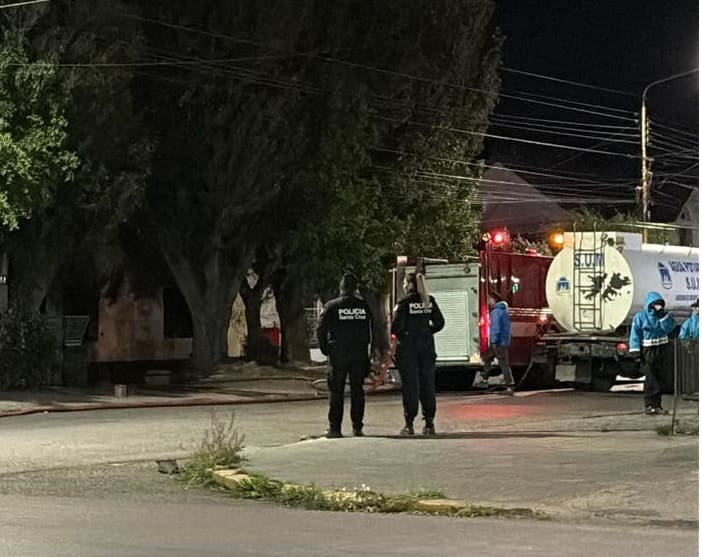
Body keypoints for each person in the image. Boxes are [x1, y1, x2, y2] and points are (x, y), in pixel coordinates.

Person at [316, 272, 373, 438]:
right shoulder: (364, 306)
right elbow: (372, 330)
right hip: (359, 354)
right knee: (357, 390)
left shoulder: (332, 306)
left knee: (336, 391)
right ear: (355, 288)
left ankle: (335, 428)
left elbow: (320, 329)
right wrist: (370, 353)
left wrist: (325, 349)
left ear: (341, 288)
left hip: (338, 354)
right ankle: (357, 427)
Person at [391, 272, 445, 435]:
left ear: (410, 285)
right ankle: (429, 423)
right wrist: (426, 332)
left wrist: (406, 336)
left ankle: (409, 424)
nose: (404, 286)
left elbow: (395, 327)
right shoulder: (429, 301)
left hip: (408, 349)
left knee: (411, 386)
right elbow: (440, 323)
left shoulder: (404, 303)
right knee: (427, 385)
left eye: (405, 283)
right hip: (427, 348)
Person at [629, 291, 677, 415]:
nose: (658, 307)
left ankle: (657, 405)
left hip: (662, 349)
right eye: (656, 304)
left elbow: (670, 328)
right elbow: (635, 335)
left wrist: (663, 317)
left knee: (660, 378)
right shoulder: (640, 317)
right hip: (648, 351)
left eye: (660, 304)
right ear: (649, 304)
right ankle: (649, 405)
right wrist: (635, 352)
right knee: (651, 379)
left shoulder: (663, 316)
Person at [478, 292, 515, 395]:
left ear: (494, 300)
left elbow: (495, 328)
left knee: (501, 363)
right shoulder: (503, 311)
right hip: (503, 341)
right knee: (488, 357)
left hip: (497, 342)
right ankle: (485, 379)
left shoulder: (496, 312)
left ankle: (509, 386)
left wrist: (493, 341)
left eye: (489, 299)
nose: (488, 302)